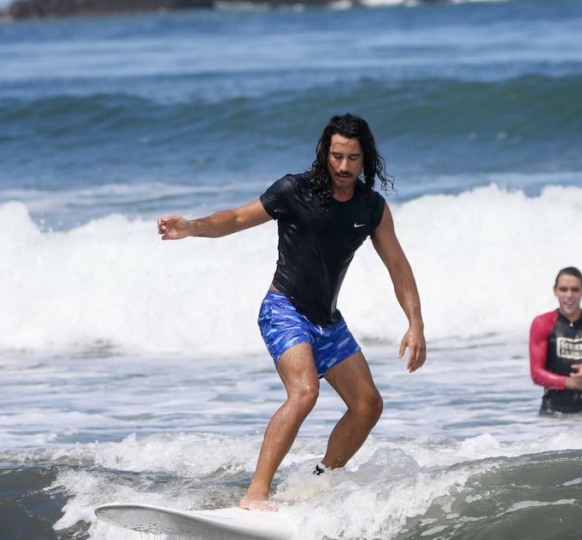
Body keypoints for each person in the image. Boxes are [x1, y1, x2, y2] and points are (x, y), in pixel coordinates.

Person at [157, 113, 426, 510]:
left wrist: (415, 323)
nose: (343, 167)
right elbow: (235, 218)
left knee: (368, 405)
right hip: (284, 309)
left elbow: (398, 266)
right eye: (337, 156)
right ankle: (255, 494)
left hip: (327, 322)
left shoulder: (372, 208)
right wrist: (193, 226)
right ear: (325, 153)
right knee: (304, 392)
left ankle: (316, 482)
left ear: (364, 158)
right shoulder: (294, 190)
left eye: (353, 158)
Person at [529, 266, 582, 415]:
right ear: (555, 291)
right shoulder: (542, 323)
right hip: (551, 415)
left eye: (575, 290)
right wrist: (567, 382)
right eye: (563, 289)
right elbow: (536, 375)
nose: (569, 295)